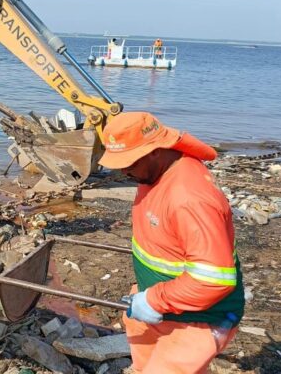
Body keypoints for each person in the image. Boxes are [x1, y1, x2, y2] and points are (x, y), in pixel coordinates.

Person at [98, 112, 244, 373]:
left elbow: (213, 280)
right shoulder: (155, 172)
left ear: (155, 150)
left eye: (129, 162)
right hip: (162, 304)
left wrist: (154, 299)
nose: (123, 171)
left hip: (197, 319)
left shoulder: (189, 198)